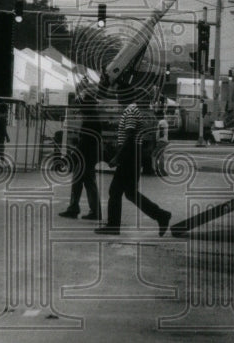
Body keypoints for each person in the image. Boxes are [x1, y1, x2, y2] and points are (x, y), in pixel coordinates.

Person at [95, 85, 172, 237]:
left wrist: (118, 157)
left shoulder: (132, 111)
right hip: (134, 155)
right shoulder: (140, 112)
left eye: (148, 98)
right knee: (130, 193)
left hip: (129, 157)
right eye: (146, 98)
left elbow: (130, 136)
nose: (148, 101)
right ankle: (161, 215)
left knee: (115, 192)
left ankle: (113, 226)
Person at [60, 87, 101, 220]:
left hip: (85, 157)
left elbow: (85, 142)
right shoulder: (93, 117)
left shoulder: (90, 119)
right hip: (88, 156)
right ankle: (83, 209)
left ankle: (83, 210)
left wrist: (72, 156)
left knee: (83, 182)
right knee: (86, 183)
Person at [153, 107, 169, 177]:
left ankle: (159, 170)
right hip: (163, 140)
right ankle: (162, 170)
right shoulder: (164, 121)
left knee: (155, 155)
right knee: (160, 156)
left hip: (161, 141)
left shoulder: (161, 122)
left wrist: (158, 139)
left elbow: (161, 131)